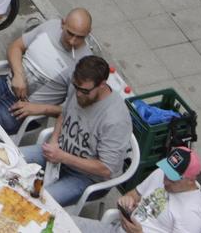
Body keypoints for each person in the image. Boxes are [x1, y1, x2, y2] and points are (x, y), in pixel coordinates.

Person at [0, 7, 98, 137]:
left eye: (80, 37)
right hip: (3, 83)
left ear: (89, 33)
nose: (72, 41)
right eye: (70, 33)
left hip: (23, 108)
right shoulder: (50, 27)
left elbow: (76, 111)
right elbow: (15, 47)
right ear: (63, 23)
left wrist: (40, 109)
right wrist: (18, 74)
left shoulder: (85, 64)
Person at [39, 57, 135, 207]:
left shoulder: (116, 120)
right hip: (60, 153)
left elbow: (106, 169)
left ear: (102, 84)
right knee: (10, 159)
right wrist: (54, 140)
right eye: (76, 87)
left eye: (84, 91)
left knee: (40, 202)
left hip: (88, 178)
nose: (78, 94)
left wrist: (63, 157)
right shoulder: (79, 85)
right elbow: (64, 114)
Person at [77, 146, 201, 233]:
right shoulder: (161, 173)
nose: (165, 180)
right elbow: (135, 194)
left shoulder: (193, 214)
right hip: (115, 229)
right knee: (61, 221)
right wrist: (127, 200)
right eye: (166, 172)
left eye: (172, 178)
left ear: (190, 180)